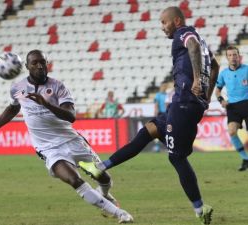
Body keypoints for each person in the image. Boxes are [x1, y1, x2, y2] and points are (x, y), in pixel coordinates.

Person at [79, 7, 219, 225]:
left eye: (164, 22)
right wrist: (207, 96)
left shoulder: (185, 33)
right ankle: (100, 167)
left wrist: (196, 82)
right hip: (186, 105)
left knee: (176, 157)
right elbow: (216, 66)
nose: (162, 27)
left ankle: (201, 209)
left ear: (177, 20)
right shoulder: (203, 44)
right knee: (149, 130)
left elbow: (191, 45)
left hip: (184, 103)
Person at [0, 50, 133, 223]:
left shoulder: (57, 87)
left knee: (101, 176)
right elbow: (13, 108)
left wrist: (47, 104)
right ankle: (119, 213)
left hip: (72, 141)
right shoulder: (18, 89)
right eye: (34, 63)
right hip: (48, 148)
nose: (40, 66)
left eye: (42, 62)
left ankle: (105, 193)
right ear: (27, 66)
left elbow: (71, 116)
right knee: (74, 179)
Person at [215, 45, 248, 171]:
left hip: (247, 103)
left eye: (235, 55)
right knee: (232, 131)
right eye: (230, 55)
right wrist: (221, 100)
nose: (233, 57)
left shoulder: (246, 69)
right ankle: (245, 158)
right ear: (227, 58)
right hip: (233, 106)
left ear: (238, 56)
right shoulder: (223, 74)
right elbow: (217, 91)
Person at [153, 82, 168, 152]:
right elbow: (156, 105)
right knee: (158, 131)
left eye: (165, 86)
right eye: (163, 86)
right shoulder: (158, 95)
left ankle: (167, 146)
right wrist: (156, 114)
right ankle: (157, 147)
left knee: (167, 131)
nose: (164, 88)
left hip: (167, 114)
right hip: (160, 114)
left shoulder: (167, 95)